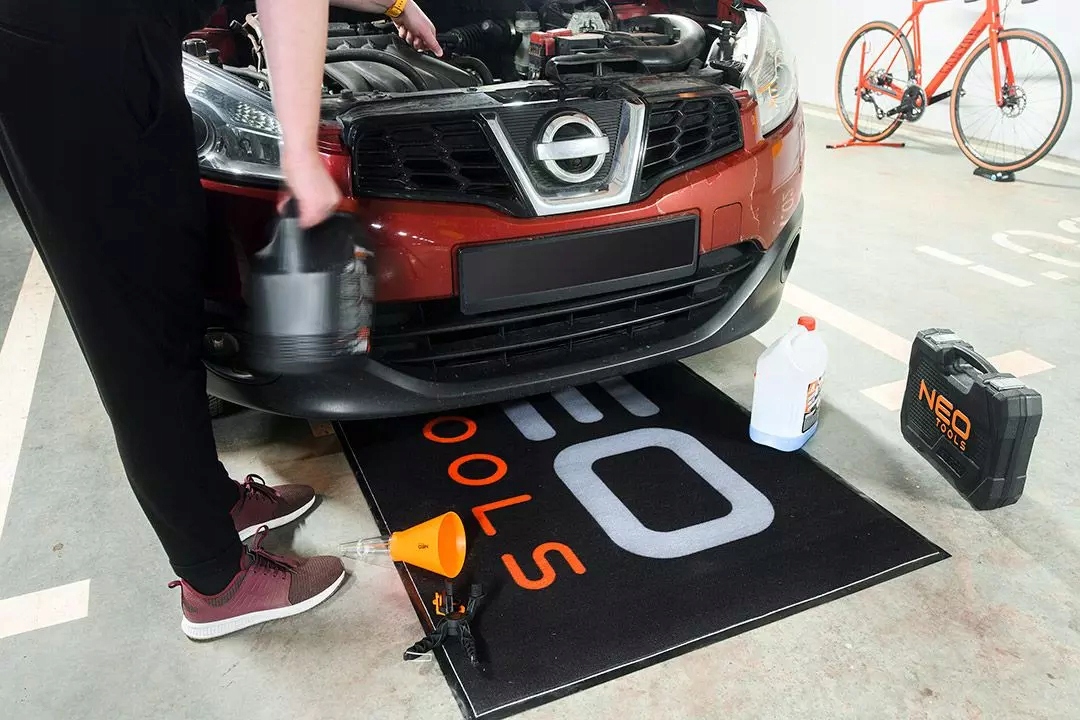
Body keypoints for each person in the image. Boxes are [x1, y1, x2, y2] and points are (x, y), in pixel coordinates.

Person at [0, 0, 441, 640]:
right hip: (68, 60)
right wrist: (299, 155)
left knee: (172, 293)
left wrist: (396, 4)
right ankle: (213, 582)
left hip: (113, 44)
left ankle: (213, 500)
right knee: (136, 334)